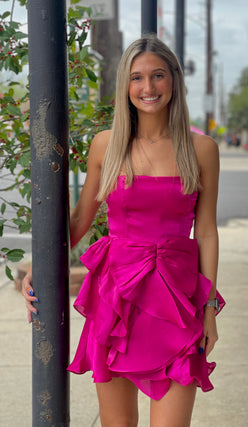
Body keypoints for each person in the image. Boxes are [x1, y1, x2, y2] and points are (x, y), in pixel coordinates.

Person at [22, 35, 225, 427]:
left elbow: (208, 233)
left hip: (177, 302)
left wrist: (209, 309)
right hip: (115, 299)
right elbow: (79, 220)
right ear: (125, 85)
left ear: (174, 80)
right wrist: (41, 264)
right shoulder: (106, 145)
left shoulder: (202, 151)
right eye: (136, 78)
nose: (147, 88)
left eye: (158, 76)